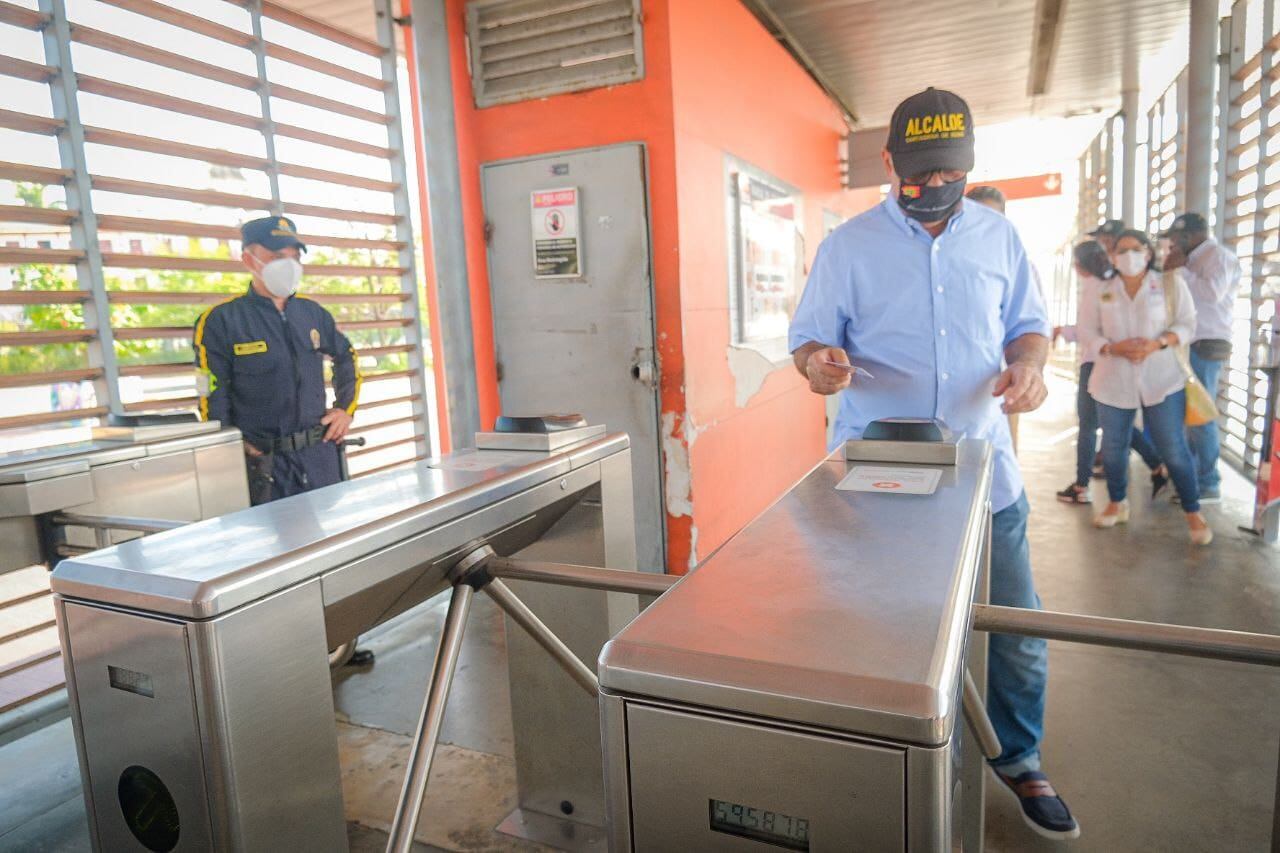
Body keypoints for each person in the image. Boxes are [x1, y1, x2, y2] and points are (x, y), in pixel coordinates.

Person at [789, 87, 1078, 841]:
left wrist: (1032, 366)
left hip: (988, 472)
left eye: (949, 174)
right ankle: (881, 747)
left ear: (970, 165)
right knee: (878, 622)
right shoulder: (848, 248)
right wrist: (820, 364)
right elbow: (809, 344)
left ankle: (1020, 758)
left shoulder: (1000, 240)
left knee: (1015, 624)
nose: (932, 189)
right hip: (878, 476)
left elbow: (1029, 328)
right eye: (915, 176)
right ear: (888, 163)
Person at [194, 215, 361, 505]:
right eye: (276, 256)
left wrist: (345, 409)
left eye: (295, 257)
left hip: (318, 457)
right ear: (249, 260)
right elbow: (211, 392)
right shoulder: (222, 320)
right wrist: (229, 446)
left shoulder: (313, 314)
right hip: (263, 465)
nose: (289, 265)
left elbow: (346, 357)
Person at [1077, 229, 1212, 544]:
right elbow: (1086, 330)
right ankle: (1116, 502)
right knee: (1113, 447)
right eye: (1120, 250)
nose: (1127, 255)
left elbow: (1187, 323)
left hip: (1163, 379)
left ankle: (1193, 512)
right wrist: (1112, 348)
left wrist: (1157, 344)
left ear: (1148, 253)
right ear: (1112, 257)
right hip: (1112, 379)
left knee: (1174, 449)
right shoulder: (1100, 288)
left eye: (1135, 249)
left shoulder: (1168, 283)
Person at [1056, 240, 1167, 505]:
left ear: (1080, 266)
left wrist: (1062, 331)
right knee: (1115, 424)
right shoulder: (1117, 283)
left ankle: (1082, 486)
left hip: (1097, 363)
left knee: (1088, 426)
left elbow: (1087, 331)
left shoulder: (1095, 288)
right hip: (1116, 364)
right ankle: (1156, 465)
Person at [1161, 212, 1241, 503]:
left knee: (1201, 414)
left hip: (1206, 344)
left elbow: (1212, 293)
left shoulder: (1218, 257)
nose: (1173, 242)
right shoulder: (1192, 260)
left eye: (1177, 237)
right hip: (1187, 344)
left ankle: (1208, 483)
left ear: (1193, 234)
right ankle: (1193, 479)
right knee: (1189, 415)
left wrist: (1181, 271)